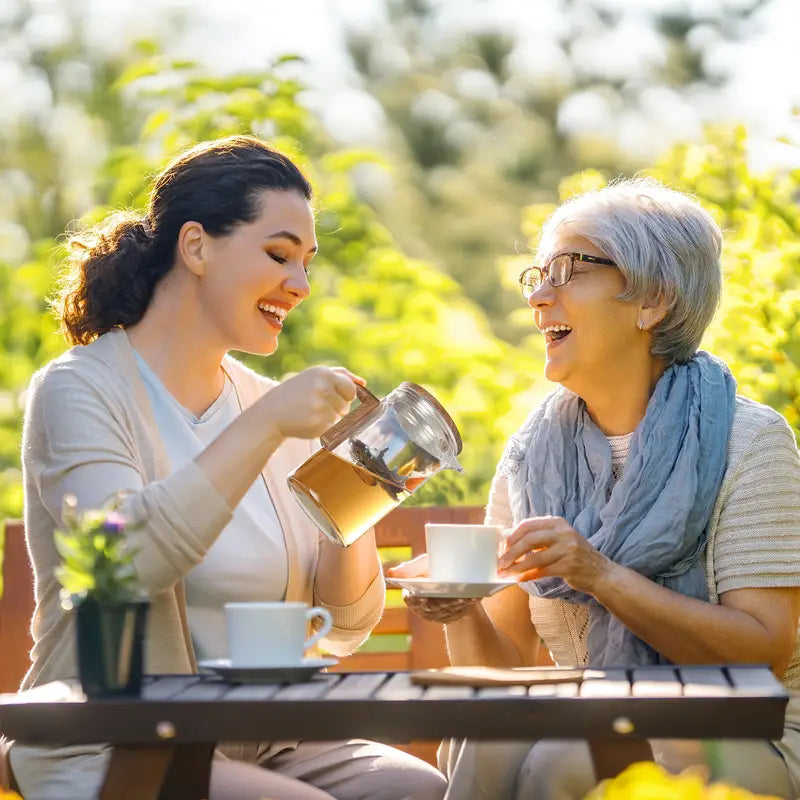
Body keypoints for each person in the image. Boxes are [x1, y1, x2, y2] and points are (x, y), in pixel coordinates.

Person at [10, 135, 446, 800]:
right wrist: (266, 427)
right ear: (196, 247)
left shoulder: (268, 406)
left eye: (306, 264)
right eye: (278, 255)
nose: (299, 286)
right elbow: (123, 563)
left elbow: (345, 625)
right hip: (113, 742)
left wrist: (356, 485)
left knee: (418, 789)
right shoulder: (80, 389)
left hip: (265, 740)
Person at [390, 177, 800, 799]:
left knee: (564, 758)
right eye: (539, 276)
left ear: (653, 300)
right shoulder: (532, 455)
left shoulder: (749, 442)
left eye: (570, 269)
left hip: (745, 731)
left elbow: (762, 658)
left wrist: (600, 574)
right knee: (491, 738)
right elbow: (503, 674)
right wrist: (462, 604)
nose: (540, 298)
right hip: (584, 718)